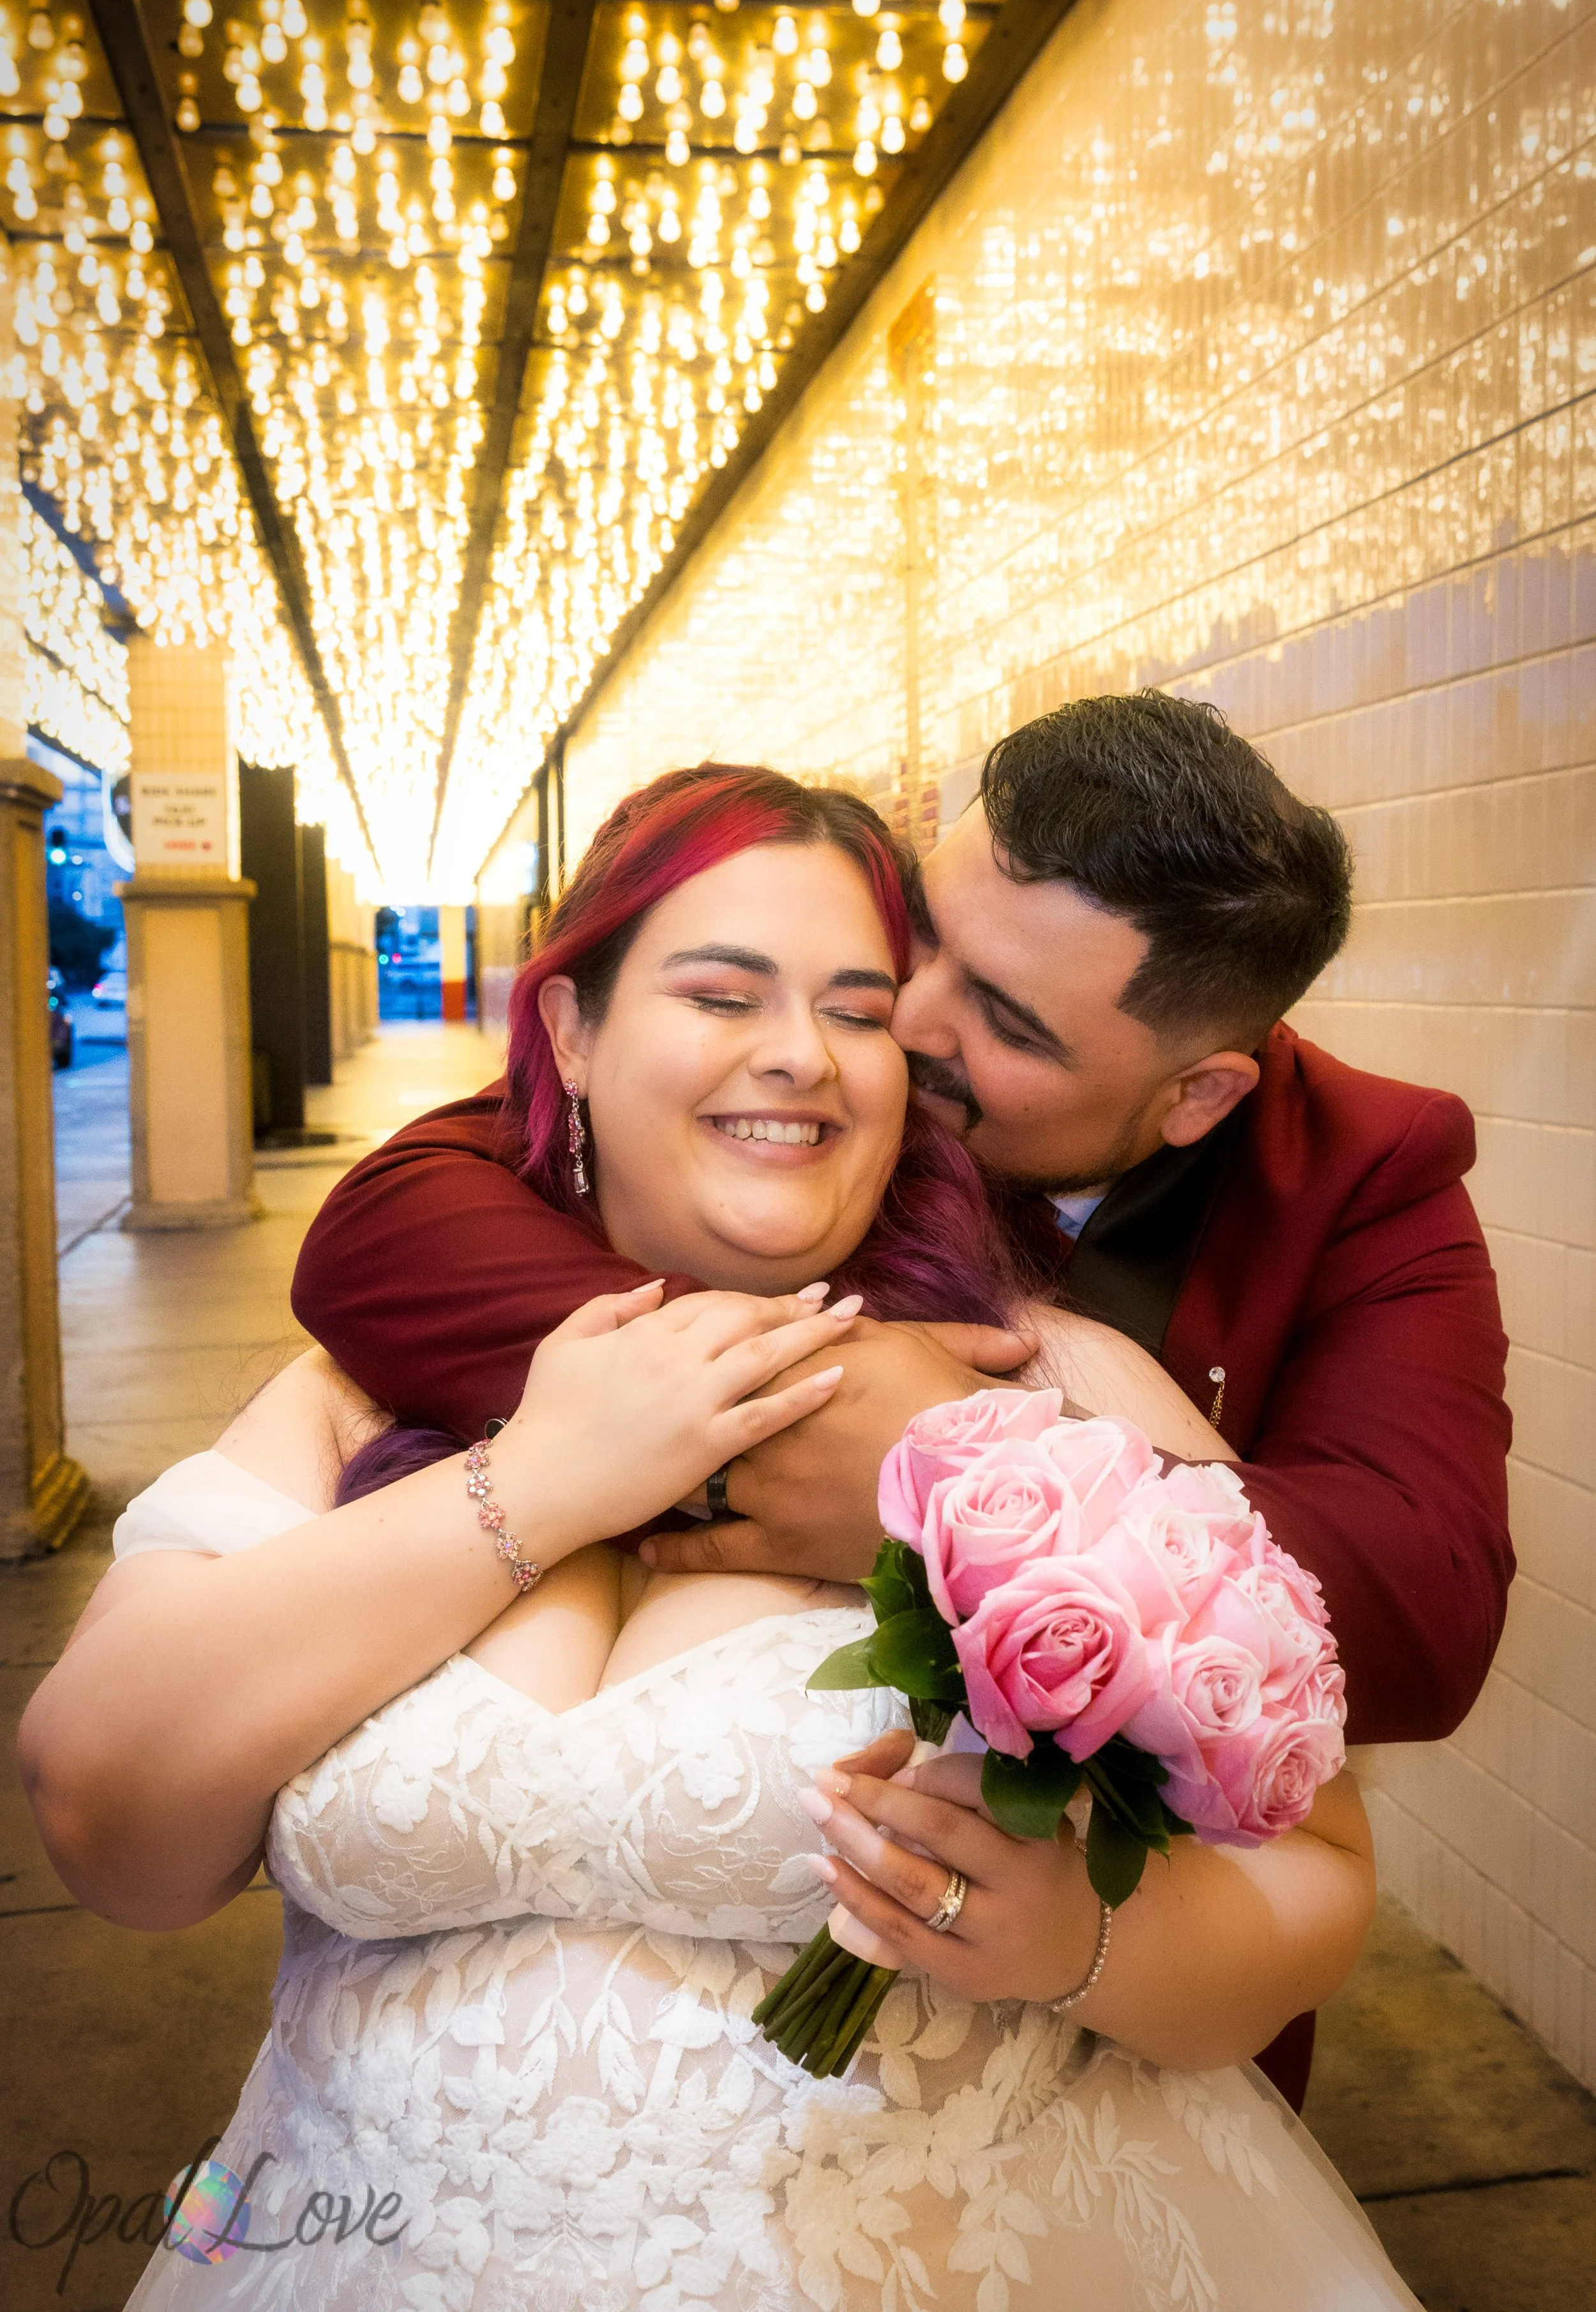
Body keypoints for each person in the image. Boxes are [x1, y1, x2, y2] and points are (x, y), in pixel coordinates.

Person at [21, 769, 1419, 2309]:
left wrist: (1083, 1940)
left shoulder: (1035, 1389)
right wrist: (545, 1482)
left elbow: (1312, 1877)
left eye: (858, 1008)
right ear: (570, 1031)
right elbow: (108, 1832)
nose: (798, 1057)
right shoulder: (352, 1399)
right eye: (719, 992)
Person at [290, 700, 1515, 2107]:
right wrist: (814, 1407)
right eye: (928, 936)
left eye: (1002, 1020)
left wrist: (960, 1479)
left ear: (1196, 1095)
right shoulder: (780, 1087)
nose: (901, 1018)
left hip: (1123, 2029)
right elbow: (393, 1226)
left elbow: (1419, 1609)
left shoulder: (1368, 1172)